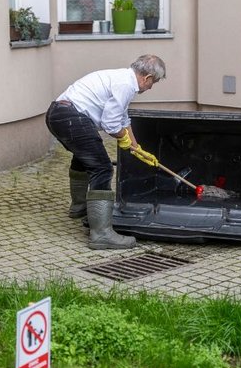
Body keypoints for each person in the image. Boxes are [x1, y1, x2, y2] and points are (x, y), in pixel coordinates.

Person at [44, 54, 165, 250]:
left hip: (58, 114)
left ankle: (80, 207)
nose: (151, 87)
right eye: (154, 83)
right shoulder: (125, 85)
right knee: (103, 168)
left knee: (84, 157)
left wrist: (137, 149)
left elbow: (123, 120)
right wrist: (123, 138)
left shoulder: (122, 79)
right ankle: (101, 234)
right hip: (70, 117)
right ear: (147, 78)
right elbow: (111, 124)